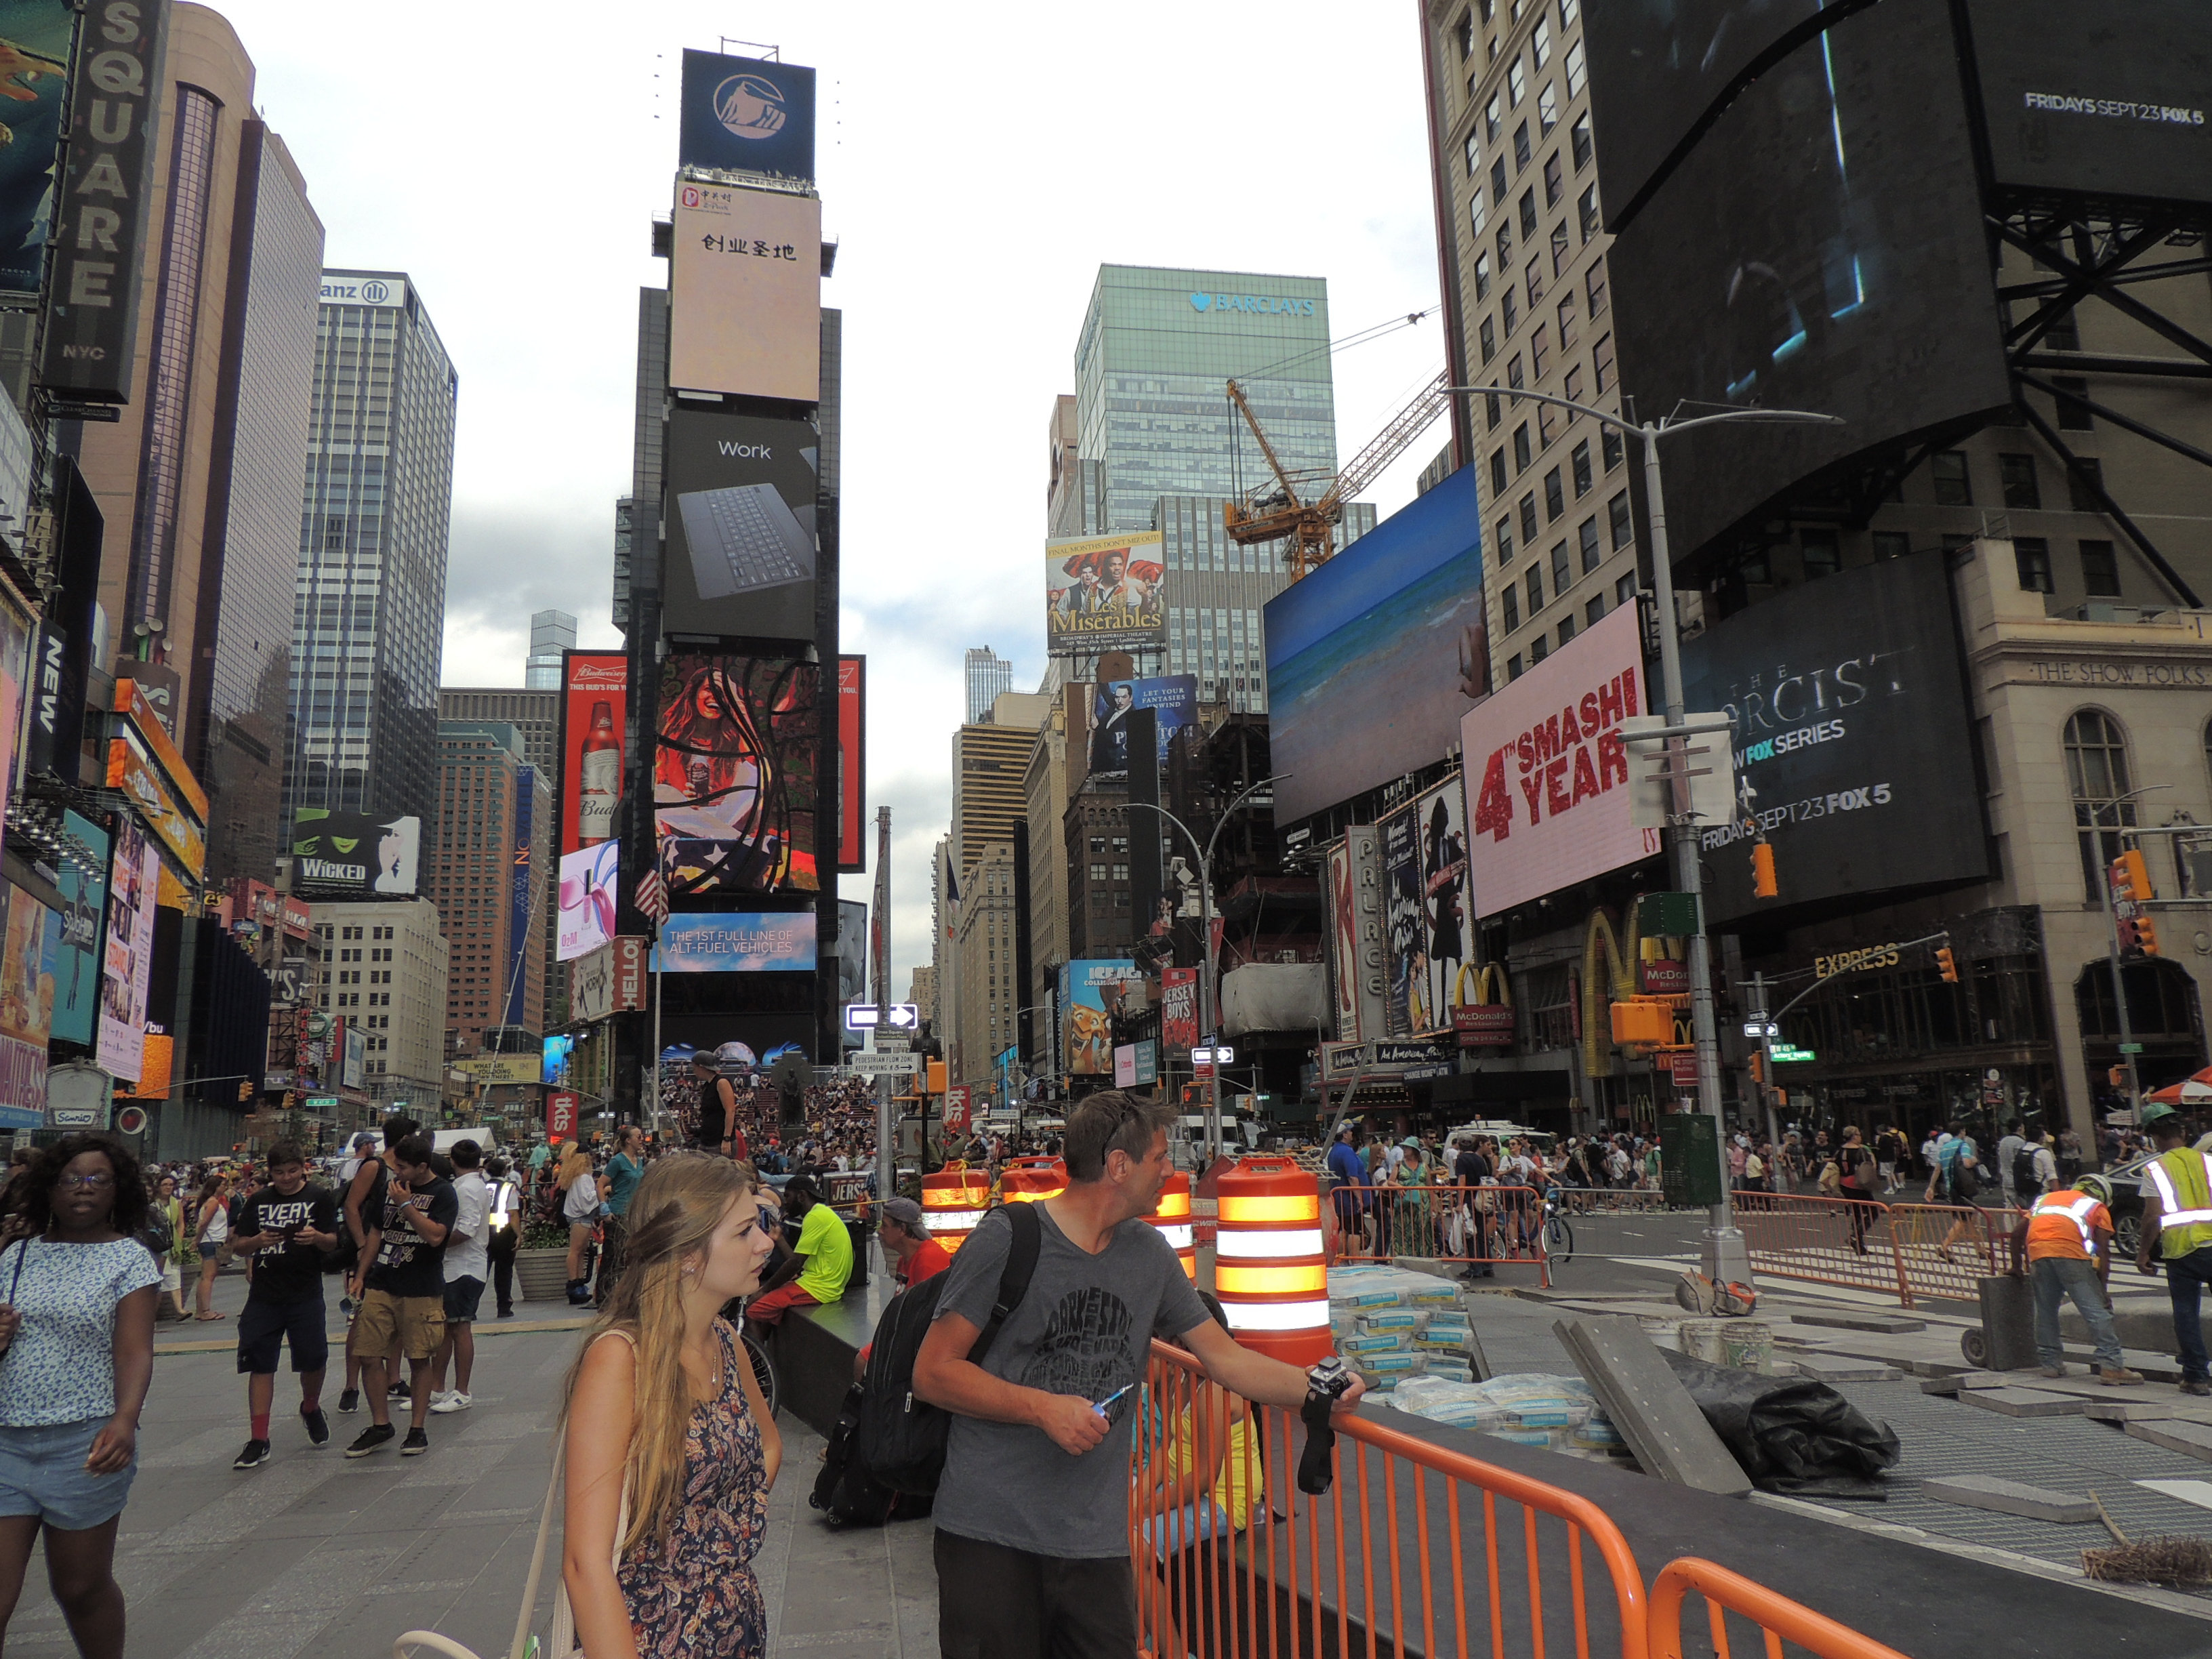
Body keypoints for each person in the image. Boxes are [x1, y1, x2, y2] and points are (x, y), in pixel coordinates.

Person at [914, 1090, 1364, 1658]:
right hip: (990, 1536)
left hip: (1096, 1542)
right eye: (1160, 1157)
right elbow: (933, 1372)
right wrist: (1042, 1408)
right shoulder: (1007, 1238)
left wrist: (1320, 1388)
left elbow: (1224, 1358)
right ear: (1118, 1165)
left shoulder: (1149, 1254)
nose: (1171, 1170)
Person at [560, 1153, 781, 1659]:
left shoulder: (725, 1340)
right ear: (687, 1253)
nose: (766, 1242)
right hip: (649, 1633)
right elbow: (585, 1563)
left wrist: (713, 1527)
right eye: (744, 1231)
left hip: (735, 1624)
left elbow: (769, 1445)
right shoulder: (620, 1360)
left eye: (760, 1224)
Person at [0, 1134, 159, 1659]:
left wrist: (125, 1421)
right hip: (5, 1440)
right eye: (71, 1179)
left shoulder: (130, 1260)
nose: (84, 1188)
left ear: (118, 1190)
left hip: (85, 1445)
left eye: (98, 1179)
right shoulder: (16, 1256)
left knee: (80, 1588)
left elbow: (134, 1351)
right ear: (49, 1189)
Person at [1136, 1291, 1263, 1659]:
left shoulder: (1214, 1390)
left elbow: (1206, 1476)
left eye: (1156, 1338)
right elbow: (1167, 1454)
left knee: (1129, 1548)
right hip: (1187, 1487)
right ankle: (1140, 1640)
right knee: (1104, 1516)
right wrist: (1133, 1499)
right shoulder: (1179, 1380)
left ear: (1180, 1343)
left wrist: (1142, 1509)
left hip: (1222, 1501)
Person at [227, 1141, 339, 1469]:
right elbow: (239, 1247)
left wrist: (316, 1237)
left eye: (292, 1171)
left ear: (304, 1168)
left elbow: (333, 1241)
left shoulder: (319, 1197)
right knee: (260, 1363)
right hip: (265, 1296)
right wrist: (257, 1242)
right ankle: (259, 1438)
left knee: (313, 1359)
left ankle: (311, 1406)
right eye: (279, 1173)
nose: (287, 1178)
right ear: (270, 1172)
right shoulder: (259, 1200)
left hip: (305, 1293)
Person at [345, 1134, 457, 1457]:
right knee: (368, 1354)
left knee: (419, 1358)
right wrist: (361, 1274)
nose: (398, 1173)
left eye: (404, 1168)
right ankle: (381, 1424)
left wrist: (406, 1206)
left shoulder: (443, 1192)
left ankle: (417, 1429)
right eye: (396, 1167)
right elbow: (376, 1233)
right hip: (382, 1282)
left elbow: (436, 1236)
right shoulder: (390, 1187)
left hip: (421, 1287)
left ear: (422, 1166)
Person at [2027, 1172, 2142, 1385]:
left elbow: (2018, 1233)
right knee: (2097, 1312)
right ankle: (2111, 1366)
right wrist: (2102, 1290)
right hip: (2071, 1256)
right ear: (2101, 1195)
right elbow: (2103, 1251)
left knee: (2045, 1311)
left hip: (2039, 1254)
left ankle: (2051, 1364)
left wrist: (2015, 1267)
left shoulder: (2045, 1199)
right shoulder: (2096, 1206)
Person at [339, 1115, 417, 1412]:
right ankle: (351, 1385)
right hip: (371, 1251)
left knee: (397, 1316)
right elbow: (351, 1206)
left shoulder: (406, 1170)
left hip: (397, 1251)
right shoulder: (375, 1167)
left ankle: (393, 1378)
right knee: (361, 1319)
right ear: (403, 1139)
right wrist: (362, 1245)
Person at [2135, 1103, 2212, 1396]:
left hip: (2182, 1251)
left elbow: (2151, 1216)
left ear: (2154, 1137)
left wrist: (2143, 1253)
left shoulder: (2155, 1168)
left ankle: (2196, 1377)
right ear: (2182, 1132)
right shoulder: (2207, 1161)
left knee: (2186, 1313)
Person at [428, 1140, 490, 1415]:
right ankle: (437, 1388)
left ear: (452, 1160)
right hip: (459, 1266)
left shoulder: (467, 1189)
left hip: (464, 1267)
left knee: (460, 1326)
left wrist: (436, 1243)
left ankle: (462, 1391)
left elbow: (466, 1229)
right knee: (446, 1327)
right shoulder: (472, 1185)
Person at [745, 1174, 850, 1334]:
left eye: (788, 1196)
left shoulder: (815, 1217)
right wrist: (779, 1239)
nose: (785, 1202)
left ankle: (753, 1351)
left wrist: (764, 1290)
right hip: (822, 1285)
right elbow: (798, 1262)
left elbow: (795, 1263)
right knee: (769, 1305)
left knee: (752, 1310)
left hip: (820, 1288)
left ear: (801, 1196)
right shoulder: (821, 1213)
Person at [598, 1126, 647, 1306]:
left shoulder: (639, 1161)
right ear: (628, 1140)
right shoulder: (618, 1161)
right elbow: (601, 1184)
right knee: (612, 1257)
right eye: (638, 1137)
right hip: (617, 1213)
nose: (642, 1139)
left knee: (631, 1257)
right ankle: (604, 1297)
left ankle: (626, 1296)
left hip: (633, 1214)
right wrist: (604, 1208)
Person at [878, 1197, 951, 1291]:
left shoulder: (927, 1262)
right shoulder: (904, 1261)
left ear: (902, 1229)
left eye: (885, 1225)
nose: (880, 1230)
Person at [560, 1142, 600, 1305]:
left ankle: (578, 1283)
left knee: (580, 1251)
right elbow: (587, 1199)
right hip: (582, 1217)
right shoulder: (583, 1178)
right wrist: (602, 1192)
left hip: (582, 1217)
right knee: (576, 1251)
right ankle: (574, 1284)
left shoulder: (579, 1177)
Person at [484, 1155, 521, 1319]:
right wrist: (519, 1235)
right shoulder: (508, 1188)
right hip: (504, 1233)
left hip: (484, 1233)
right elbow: (513, 1214)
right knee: (504, 1271)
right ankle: (504, 1306)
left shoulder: (483, 1186)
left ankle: (470, 1306)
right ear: (505, 1171)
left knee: (482, 1270)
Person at [190, 1172, 230, 1321]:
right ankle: (206, 1311)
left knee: (204, 1277)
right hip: (212, 1241)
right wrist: (197, 1239)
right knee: (209, 1276)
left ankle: (200, 1310)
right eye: (223, 1185)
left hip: (208, 1241)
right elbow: (204, 1222)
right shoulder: (213, 1203)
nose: (225, 1188)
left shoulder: (209, 1202)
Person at [1327, 1125, 1371, 1257]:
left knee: (1343, 1229)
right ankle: (1355, 1260)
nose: (1352, 1133)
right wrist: (1359, 1198)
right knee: (1354, 1231)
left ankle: (1342, 1258)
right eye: (1350, 1131)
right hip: (1349, 1199)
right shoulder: (1347, 1152)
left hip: (1339, 1197)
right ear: (1345, 1135)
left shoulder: (1334, 1151)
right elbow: (1352, 1177)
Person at [150, 1175, 188, 1322]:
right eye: (165, 1184)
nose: (168, 1187)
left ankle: (180, 1310)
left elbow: (180, 1223)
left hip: (172, 1243)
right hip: (157, 1244)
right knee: (158, 1279)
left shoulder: (176, 1203)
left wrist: (178, 1240)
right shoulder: (153, 1205)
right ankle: (151, 1315)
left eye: (171, 1185)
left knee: (174, 1275)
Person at [690, 1053, 741, 1159]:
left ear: (701, 1067)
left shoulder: (721, 1083)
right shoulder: (707, 1086)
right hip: (706, 1141)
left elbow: (730, 1111)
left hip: (719, 1143)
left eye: (694, 1068)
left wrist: (727, 1138)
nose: (694, 1071)